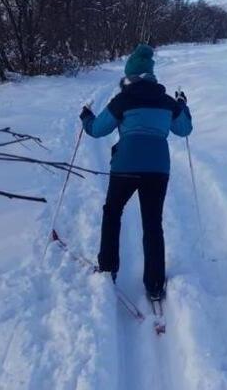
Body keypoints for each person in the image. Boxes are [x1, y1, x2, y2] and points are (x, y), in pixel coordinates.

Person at [79, 44, 192, 300]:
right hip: (158, 169)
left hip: (125, 167)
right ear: (151, 75)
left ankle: (108, 268)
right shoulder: (167, 102)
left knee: (112, 212)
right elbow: (184, 129)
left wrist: (86, 117)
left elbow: (97, 130)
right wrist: (183, 105)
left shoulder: (122, 100)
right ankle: (154, 284)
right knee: (153, 223)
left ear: (130, 76)